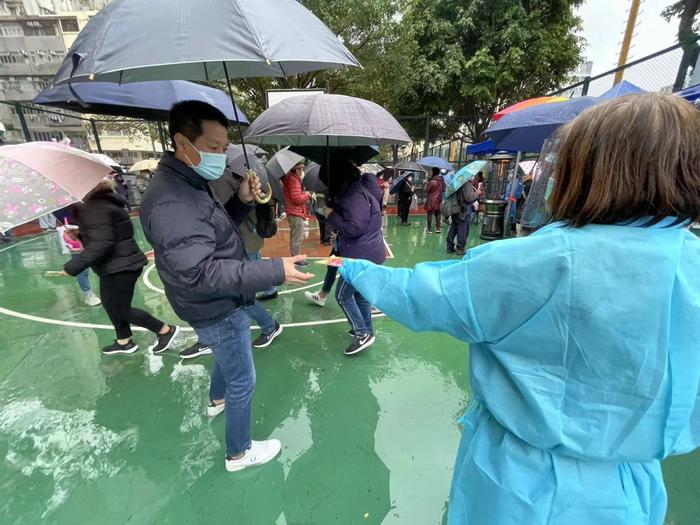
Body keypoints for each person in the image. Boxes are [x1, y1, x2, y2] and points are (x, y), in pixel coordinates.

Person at [338, 94, 700, 525]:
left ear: (584, 170)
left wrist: (356, 267)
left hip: (522, 486)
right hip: (633, 489)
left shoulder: (540, 261)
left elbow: (426, 295)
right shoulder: (690, 259)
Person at [139, 100, 312, 473]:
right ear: (182, 142)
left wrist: (242, 202)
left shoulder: (188, 183)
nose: (221, 155)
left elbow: (212, 236)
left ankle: (216, 399)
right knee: (243, 379)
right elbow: (200, 273)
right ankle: (239, 452)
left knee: (225, 356)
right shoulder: (172, 200)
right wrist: (273, 271)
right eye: (214, 148)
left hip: (210, 304)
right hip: (215, 304)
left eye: (224, 147)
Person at [63, 178, 177, 355]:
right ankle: (124, 341)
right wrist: (81, 233)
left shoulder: (95, 208)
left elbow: (102, 242)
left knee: (119, 308)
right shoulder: (105, 203)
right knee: (112, 305)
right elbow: (109, 234)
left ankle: (164, 330)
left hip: (119, 265)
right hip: (119, 263)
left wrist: (73, 266)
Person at [322, 160, 385, 356]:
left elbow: (354, 227)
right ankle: (366, 328)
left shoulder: (353, 196)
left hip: (359, 256)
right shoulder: (360, 191)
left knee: (342, 295)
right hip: (369, 253)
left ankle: (362, 332)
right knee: (360, 295)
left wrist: (332, 215)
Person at [54, 205, 101, 306]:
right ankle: (88, 294)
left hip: (93, 231)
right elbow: (60, 221)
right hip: (72, 234)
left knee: (100, 261)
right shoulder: (58, 204)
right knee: (82, 267)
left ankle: (107, 287)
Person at [281, 162, 311, 267]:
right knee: (297, 238)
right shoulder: (293, 180)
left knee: (296, 237)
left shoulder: (290, 178)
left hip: (293, 211)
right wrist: (306, 194)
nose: (302, 171)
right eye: (301, 169)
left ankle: (295, 257)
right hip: (295, 212)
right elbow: (297, 198)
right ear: (297, 169)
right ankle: (296, 259)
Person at [446, 179, 478, 255]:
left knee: (453, 228)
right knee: (463, 231)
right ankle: (460, 248)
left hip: (455, 209)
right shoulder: (467, 184)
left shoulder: (457, 183)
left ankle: (449, 246)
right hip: (464, 211)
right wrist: (476, 193)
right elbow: (469, 198)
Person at [425, 167, 446, 234]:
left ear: (433, 172)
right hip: (438, 199)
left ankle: (429, 229)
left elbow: (427, 190)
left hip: (431, 200)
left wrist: (426, 184)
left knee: (429, 214)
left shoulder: (431, 181)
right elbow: (443, 189)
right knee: (438, 213)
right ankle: (438, 228)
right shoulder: (441, 180)